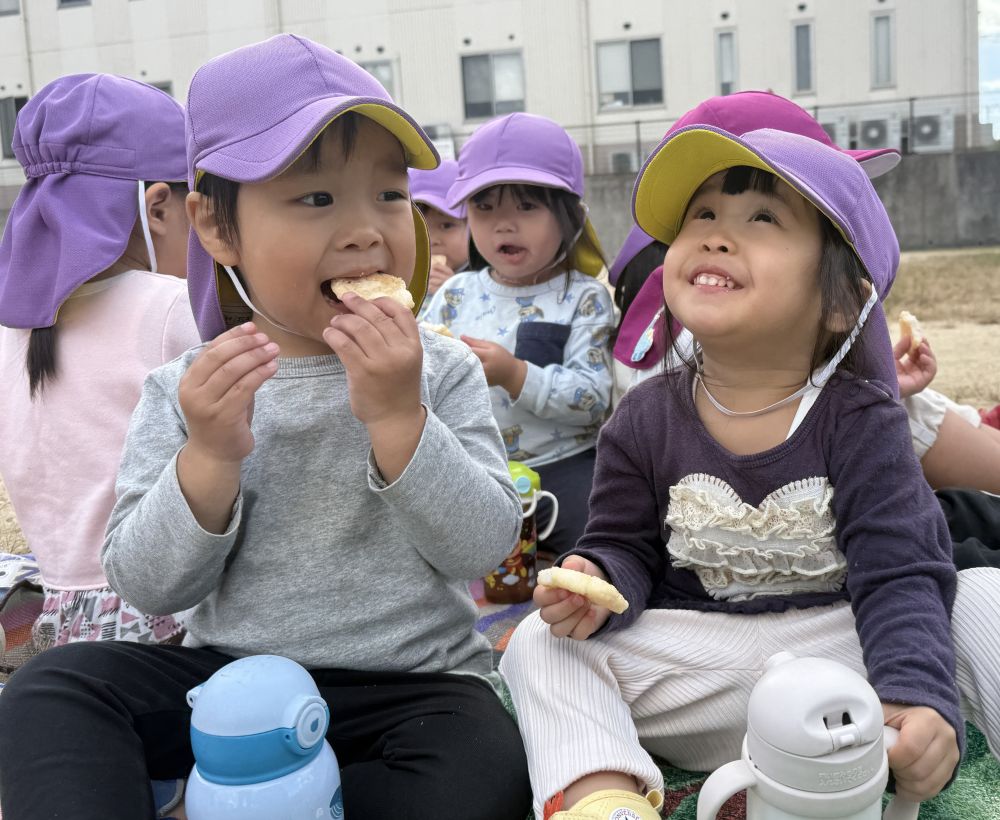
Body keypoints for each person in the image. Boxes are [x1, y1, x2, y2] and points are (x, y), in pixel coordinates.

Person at [0, 35, 530, 820]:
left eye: (388, 196)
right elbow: (150, 584)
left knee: (483, 758)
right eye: (315, 199)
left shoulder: (438, 369)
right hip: (227, 680)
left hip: (414, 687)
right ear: (216, 228)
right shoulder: (187, 387)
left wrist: (397, 418)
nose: (366, 232)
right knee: (52, 691)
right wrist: (208, 458)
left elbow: (483, 544)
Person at [499, 122, 1000, 819]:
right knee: (538, 643)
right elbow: (623, 545)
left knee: (980, 598)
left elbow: (898, 571)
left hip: (842, 669)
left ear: (841, 303)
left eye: (762, 218)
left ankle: (927, 734)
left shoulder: (862, 417)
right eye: (701, 215)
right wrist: (597, 581)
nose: (715, 234)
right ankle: (601, 797)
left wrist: (915, 695)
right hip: (698, 668)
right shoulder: (642, 418)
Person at [0, 73, 197, 650]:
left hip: (64, 619)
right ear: (159, 207)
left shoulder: (13, 331)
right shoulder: (169, 309)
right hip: (173, 610)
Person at [422, 112, 615, 558]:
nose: (503, 225)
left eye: (527, 207)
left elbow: (592, 400)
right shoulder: (455, 294)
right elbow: (421, 371)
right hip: (473, 468)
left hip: (562, 465)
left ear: (569, 217)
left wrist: (514, 374)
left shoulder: (582, 297)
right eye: (484, 208)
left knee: (594, 548)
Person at [410, 158, 469, 298]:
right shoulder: (398, 280)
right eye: (418, 226)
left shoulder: (491, 280)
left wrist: (453, 295)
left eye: (446, 226)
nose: (431, 240)